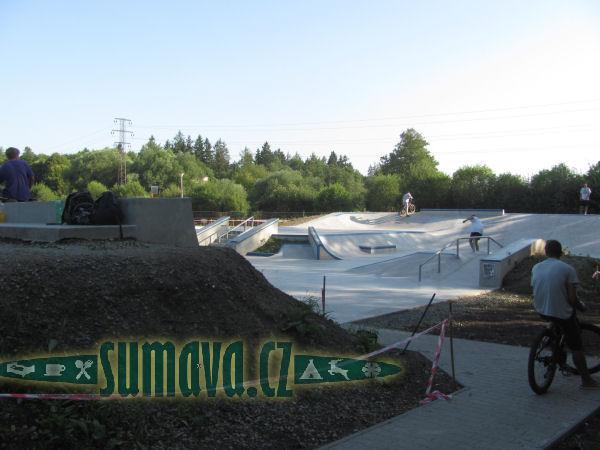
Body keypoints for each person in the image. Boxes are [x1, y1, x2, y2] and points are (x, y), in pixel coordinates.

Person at [531, 240, 599, 389]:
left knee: (554, 319)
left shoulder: (536, 267)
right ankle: (586, 380)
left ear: (546, 252)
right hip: (561, 312)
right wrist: (581, 307)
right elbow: (572, 299)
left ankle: (550, 338)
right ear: (561, 252)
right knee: (576, 345)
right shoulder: (567, 269)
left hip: (542, 309)